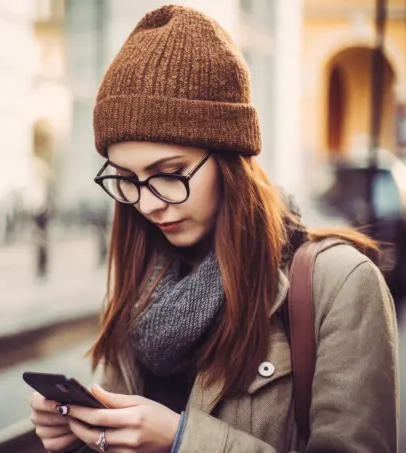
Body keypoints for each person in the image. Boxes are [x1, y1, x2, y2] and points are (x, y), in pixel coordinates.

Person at [28, 5, 398, 453]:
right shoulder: (145, 276)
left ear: (230, 160)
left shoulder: (338, 284)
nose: (147, 202)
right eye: (126, 179)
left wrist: (182, 441)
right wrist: (83, 435)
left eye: (169, 172)